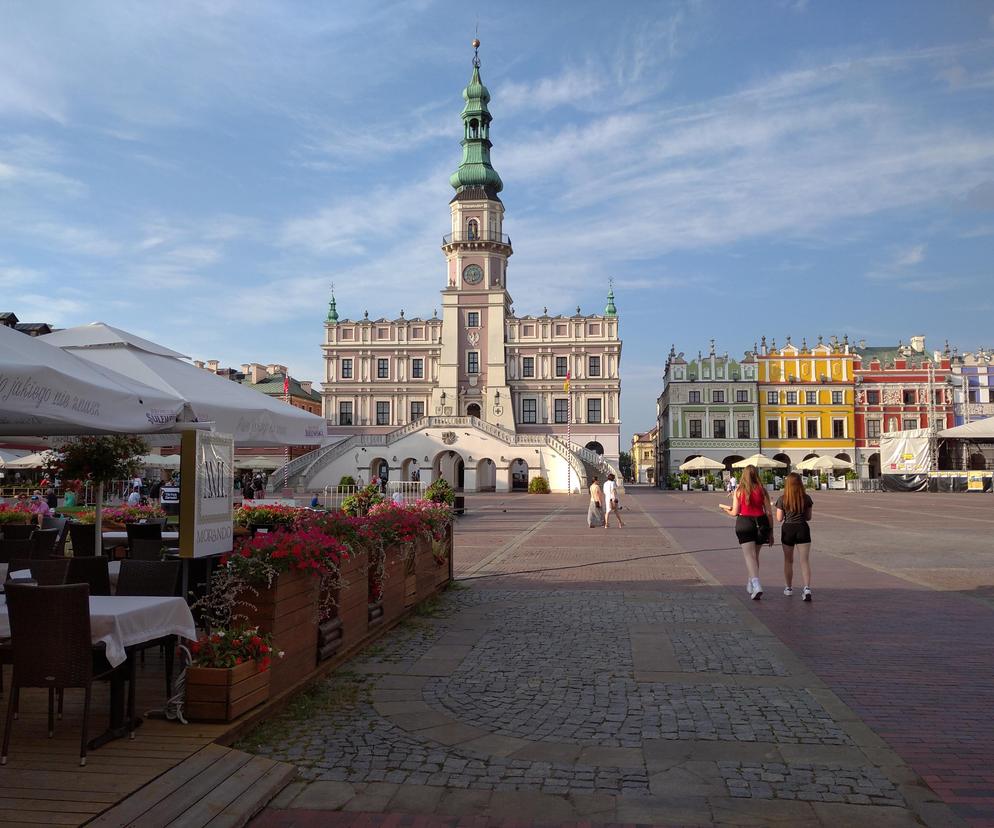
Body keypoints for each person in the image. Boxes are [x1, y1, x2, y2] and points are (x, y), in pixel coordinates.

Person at [719, 464, 774, 600]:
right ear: (756, 475)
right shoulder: (762, 490)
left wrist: (725, 509)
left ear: (743, 475)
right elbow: (769, 513)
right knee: (755, 556)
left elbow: (735, 512)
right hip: (761, 524)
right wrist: (771, 532)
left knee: (749, 556)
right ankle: (751, 582)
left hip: (745, 523)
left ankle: (756, 584)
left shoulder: (739, 490)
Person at [776, 472, 814, 601]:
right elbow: (808, 517)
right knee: (804, 561)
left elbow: (779, 518)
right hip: (802, 528)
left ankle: (788, 588)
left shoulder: (782, 499)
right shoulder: (806, 498)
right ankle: (807, 588)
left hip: (788, 529)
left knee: (788, 560)